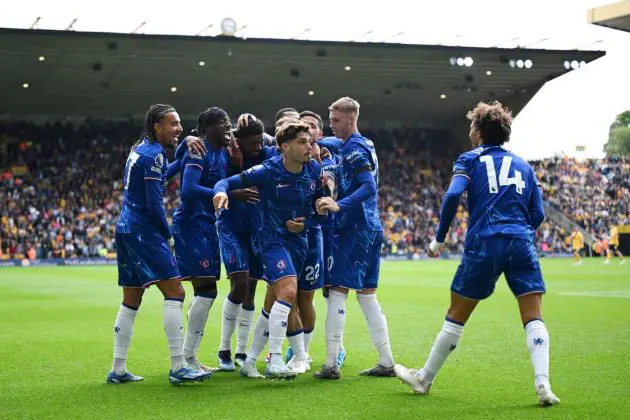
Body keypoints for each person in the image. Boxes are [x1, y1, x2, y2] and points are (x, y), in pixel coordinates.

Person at [393, 101, 560, 407]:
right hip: (520, 241)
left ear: (480, 130)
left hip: (484, 242)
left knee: (457, 313)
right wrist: (519, 232)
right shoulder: (523, 165)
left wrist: (439, 239)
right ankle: (543, 384)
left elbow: (454, 194)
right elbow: (538, 213)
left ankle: (424, 378)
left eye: (472, 126)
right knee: (533, 314)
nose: (469, 131)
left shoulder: (469, 159)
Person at [107, 104, 211, 385]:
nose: (178, 128)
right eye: (173, 124)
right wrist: (168, 236)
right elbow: (154, 204)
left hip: (125, 227)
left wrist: (184, 153)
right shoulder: (154, 156)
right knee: (176, 292)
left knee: (131, 299)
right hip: (144, 230)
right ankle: (178, 365)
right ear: (157, 126)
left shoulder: (140, 149)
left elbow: (162, 176)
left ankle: (117, 368)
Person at [214, 121, 325, 379]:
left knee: (271, 304)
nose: (309, 146)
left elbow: (322, 213)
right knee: (288, 291)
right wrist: (220, 194)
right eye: (302, 142)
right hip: (271, 241)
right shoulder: (268, 170)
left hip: (299, 243)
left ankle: (250, 361)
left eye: (310, 141)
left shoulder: (314, 171)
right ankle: (275, 359)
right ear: (285, 148)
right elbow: (225, 182)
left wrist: (307, 222)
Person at [314, 97, 395, 380]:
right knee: (367, 295)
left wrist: (340, 205)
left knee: (337, 290)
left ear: (351, 119)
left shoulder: (355, 149)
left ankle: (330, 364)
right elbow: (336, 145)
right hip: (372, 227)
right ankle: (387, 361)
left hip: (354, 228)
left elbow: (368, 187)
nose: (331, 126)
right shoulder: (363, 144)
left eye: (336, 121)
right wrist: (317, 141)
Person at [172, 107, 232, 372]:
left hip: (207, 224)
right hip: (192, 224)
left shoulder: (222, 151)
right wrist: (227, 193)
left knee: (205, 290)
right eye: (222, 123)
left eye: (229, 122)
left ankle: (190, 357)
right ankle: (186, 358)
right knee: (207, 289)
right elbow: (188, 188)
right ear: (207, 129)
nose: (228, 126)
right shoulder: (199, 149)